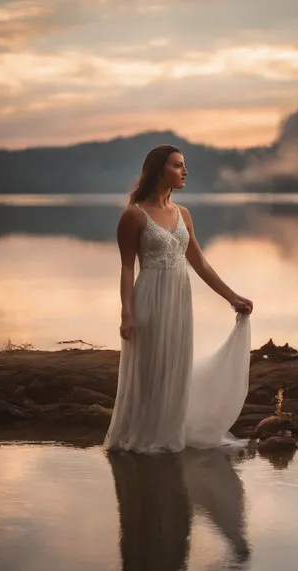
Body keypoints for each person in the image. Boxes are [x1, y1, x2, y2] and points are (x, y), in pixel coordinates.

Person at [103, 144, 253, 454]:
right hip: (150, 299)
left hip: (179, 298)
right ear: (159, 171)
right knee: (151, 368)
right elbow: (127, 268)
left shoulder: (183, 213)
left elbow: (200, 263)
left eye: (183, 165)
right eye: (177, 165)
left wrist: (232, 297)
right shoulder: (134, 215)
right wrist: (126, 314)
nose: (184, 171)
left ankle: (169, 429)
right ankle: (145, 434)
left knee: (176, 366)